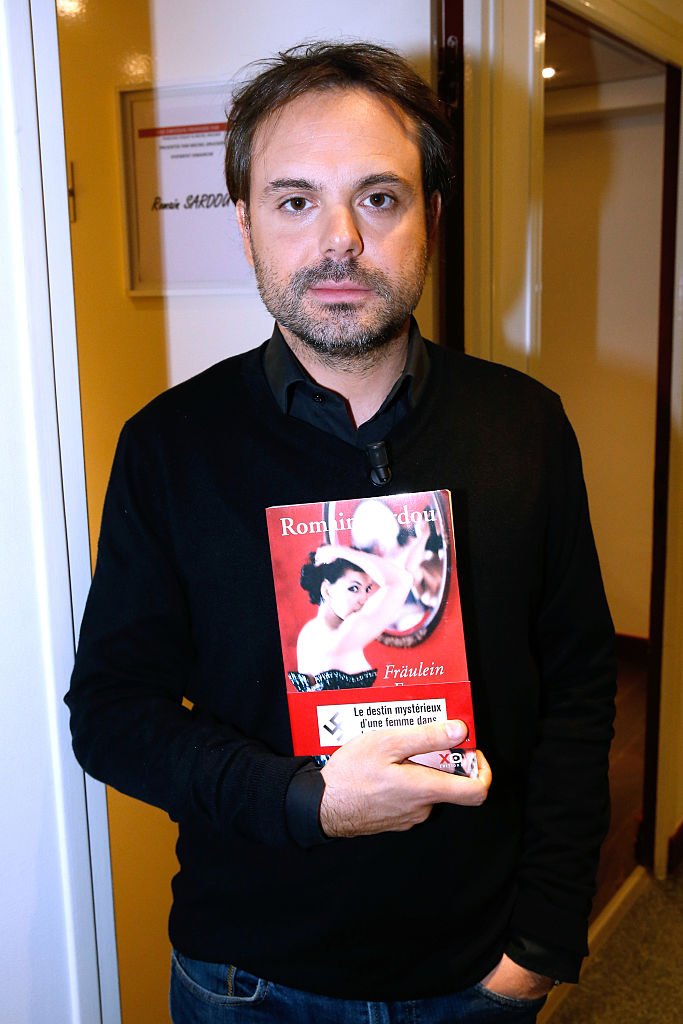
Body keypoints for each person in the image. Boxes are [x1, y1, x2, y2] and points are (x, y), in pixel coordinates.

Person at [66, 41, 616, 1024]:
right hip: (246, 980)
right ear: (242, 226)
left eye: (377, 198)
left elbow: (578, 684)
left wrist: (539, 940)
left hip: (472, 976)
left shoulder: (522, 427)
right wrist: (299, 801)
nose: (337, 242)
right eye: (292, 201)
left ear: (430, 219)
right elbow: (111, 713)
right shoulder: (168, 446)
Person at [291, 543, 412, 689]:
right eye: (354, 588)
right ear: (327, 591)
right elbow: (403, 580)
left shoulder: (308, 634)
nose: (365, 599)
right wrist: (339, 551)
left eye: (367, 589)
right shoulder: (344, 634)